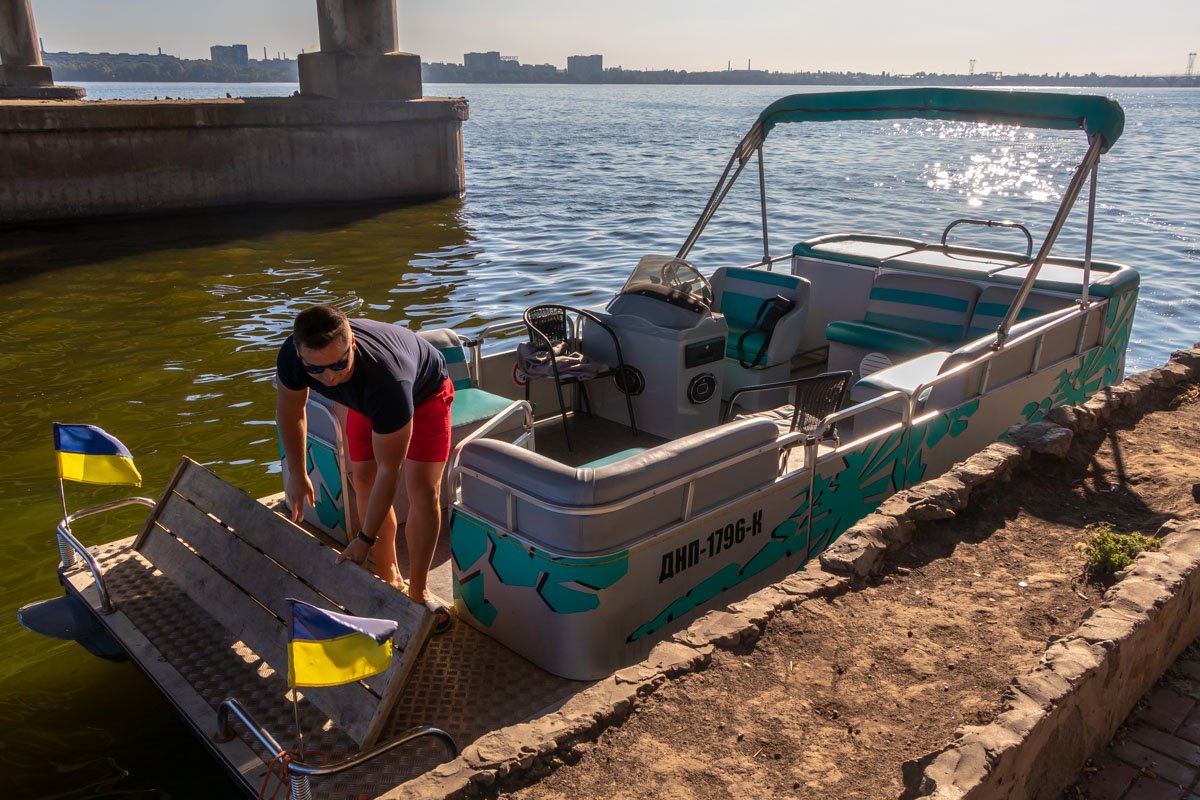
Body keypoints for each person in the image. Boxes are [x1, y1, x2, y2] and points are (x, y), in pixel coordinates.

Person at [275, 304, 453, 630]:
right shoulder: (293, 356)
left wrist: (364, 538)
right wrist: (298, 474)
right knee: (362, 478)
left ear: (352, 344)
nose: (329, 377)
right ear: (300, 355)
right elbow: (290, 413)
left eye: (339, 364)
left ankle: (418, 590)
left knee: (422, 489)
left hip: (424, 392)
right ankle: (388, 577)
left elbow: (391, 470)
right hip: (362, 398)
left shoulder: (388, 383)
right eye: (316, 370)